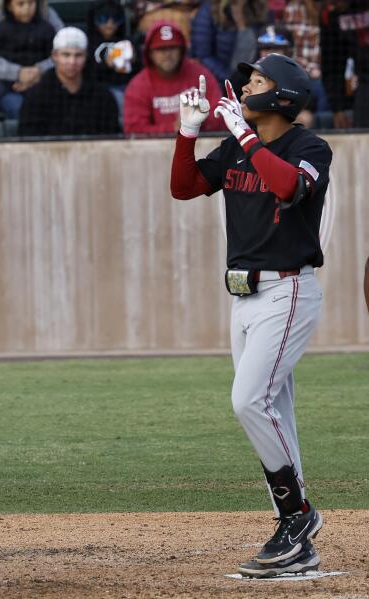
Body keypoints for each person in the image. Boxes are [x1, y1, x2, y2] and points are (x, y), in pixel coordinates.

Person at [170, 53, 332, 578]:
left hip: (287, 291)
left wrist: (244, 137)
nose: (245, 85)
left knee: (249, 400)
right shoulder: (235, 148)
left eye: (258, 79)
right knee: (272, 413)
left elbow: (290, 187)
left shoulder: (309, 145)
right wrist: (187, 133)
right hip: (243, 297)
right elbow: (185, 187)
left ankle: (298, 517)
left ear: (283, 96)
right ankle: (298, 546)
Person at [123, 21, 224, 135]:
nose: (167, 54)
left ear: (181, 50)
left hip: (200, 146)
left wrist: (197, 122)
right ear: (149, 53)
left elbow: (221, 116)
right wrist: (173, 128)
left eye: (172, 47)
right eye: (161, 49)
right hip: (156, 151)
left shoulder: (200, 75)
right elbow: (133, 130)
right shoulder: (138, 85)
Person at [19, 27, 120, 136]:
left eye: (78, 55)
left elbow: (111, 137)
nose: (72, 62)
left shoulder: (102, 96)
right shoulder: (37, 96)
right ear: (54, 56)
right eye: (66, 55)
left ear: (86, 56)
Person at [0, 0, 62, 118]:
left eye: (30, 3)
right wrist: (18, 73)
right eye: (20, 4)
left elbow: (64, 50)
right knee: (14, 107)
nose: (26, 8)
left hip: (41, 80)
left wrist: (39, 71)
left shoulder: (46, 13)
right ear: (10, 5)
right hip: (0, 80)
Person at [86, 0, 141, 125]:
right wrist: (106, 65)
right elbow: (85, 72)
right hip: (98, 90)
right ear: (94, 20)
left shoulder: (128, 42)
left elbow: (139, 71)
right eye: (103, 19)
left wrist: (134, 61)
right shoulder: (88, 44)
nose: (110, 24)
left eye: (116, 19)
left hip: (126, 88)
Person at [190, 0, 267, 87]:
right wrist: (231, 80)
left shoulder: (259, 7)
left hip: (252, 84)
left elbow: (265, 47)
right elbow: (203, 56)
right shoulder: (209, 10)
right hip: (220, 84)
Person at [320, 0, 369, 129]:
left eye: (335, 2)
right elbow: (332, 65)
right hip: (365, 81)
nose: (331, 5)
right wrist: (337, 109)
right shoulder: (329, 15)